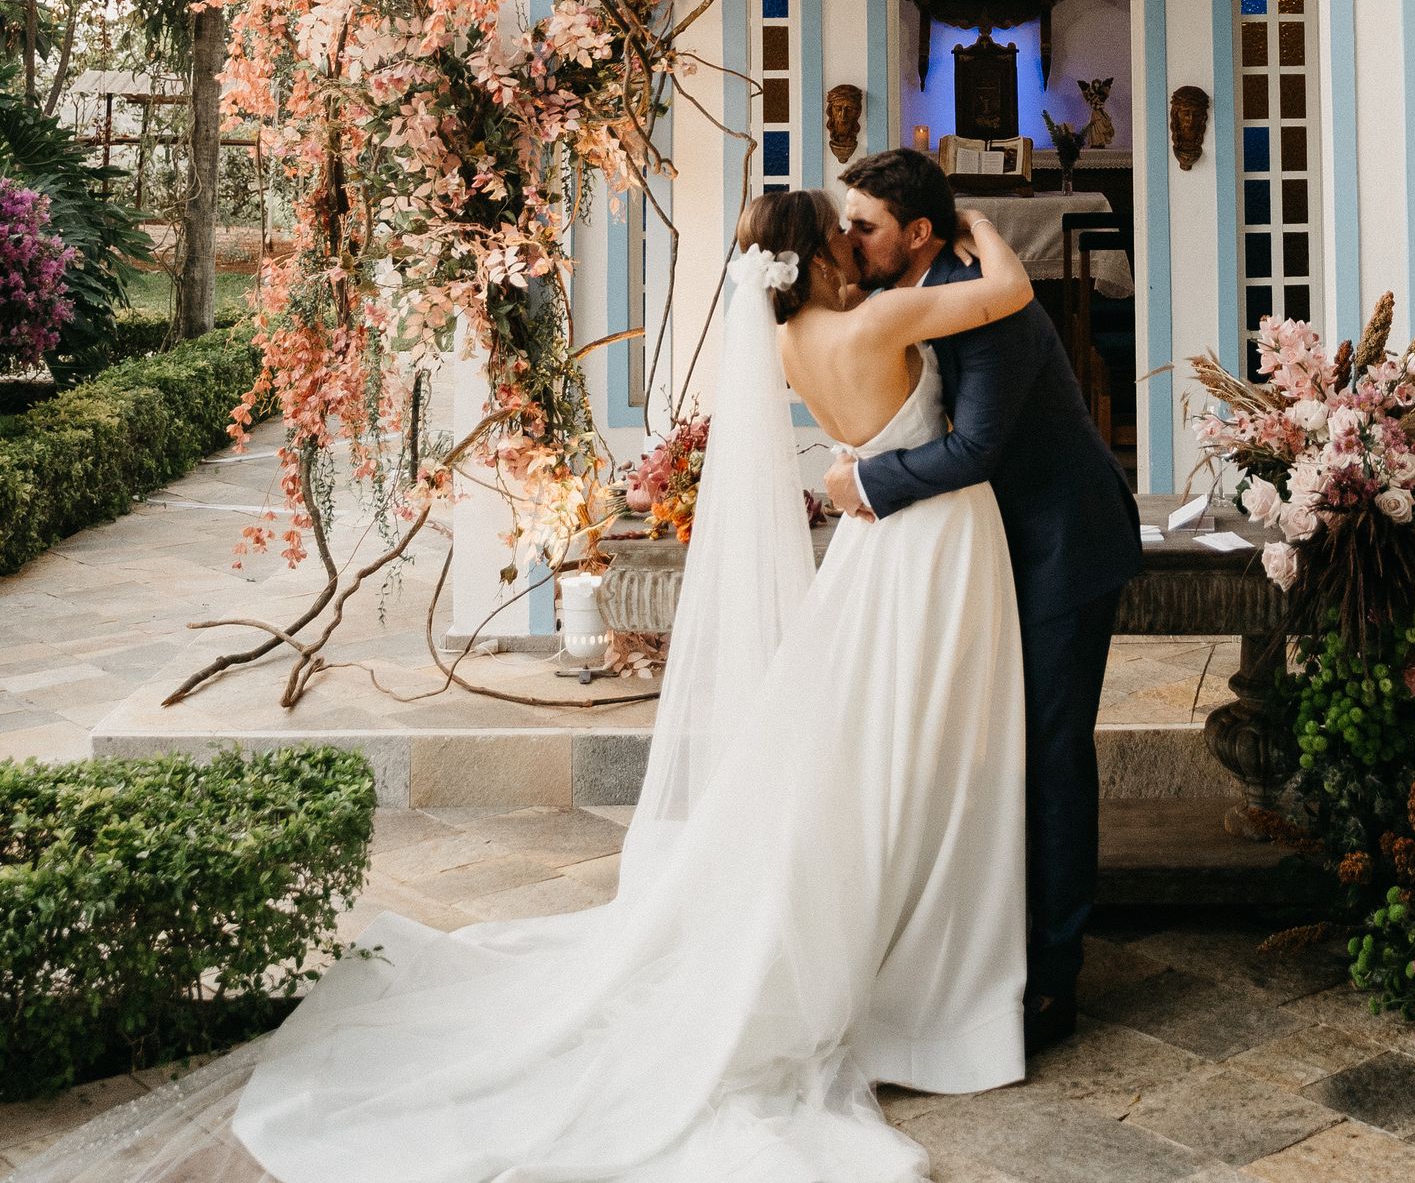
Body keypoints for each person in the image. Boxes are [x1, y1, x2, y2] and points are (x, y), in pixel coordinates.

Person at [53, 189, 1039, 1183]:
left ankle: (889, 932)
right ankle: (929, 958)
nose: (856, 238)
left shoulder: (791, 346)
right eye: (845, 227)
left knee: (873, 740)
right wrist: (968, 218)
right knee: (928, 744)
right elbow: (1009, 289)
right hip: (925, 544)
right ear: (821, 249)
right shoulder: (883, 317)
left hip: (872, 552)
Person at [826, 147, 1142, 1055]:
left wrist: (867, 483)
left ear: (916, 235)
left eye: (865, 227)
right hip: (994, 551)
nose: (849, 240)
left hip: (1061, 544)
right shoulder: (923, 285)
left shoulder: (984, 304)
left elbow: (976, 452)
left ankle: (1053, 980)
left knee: (1049, 754)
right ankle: (984, 944)